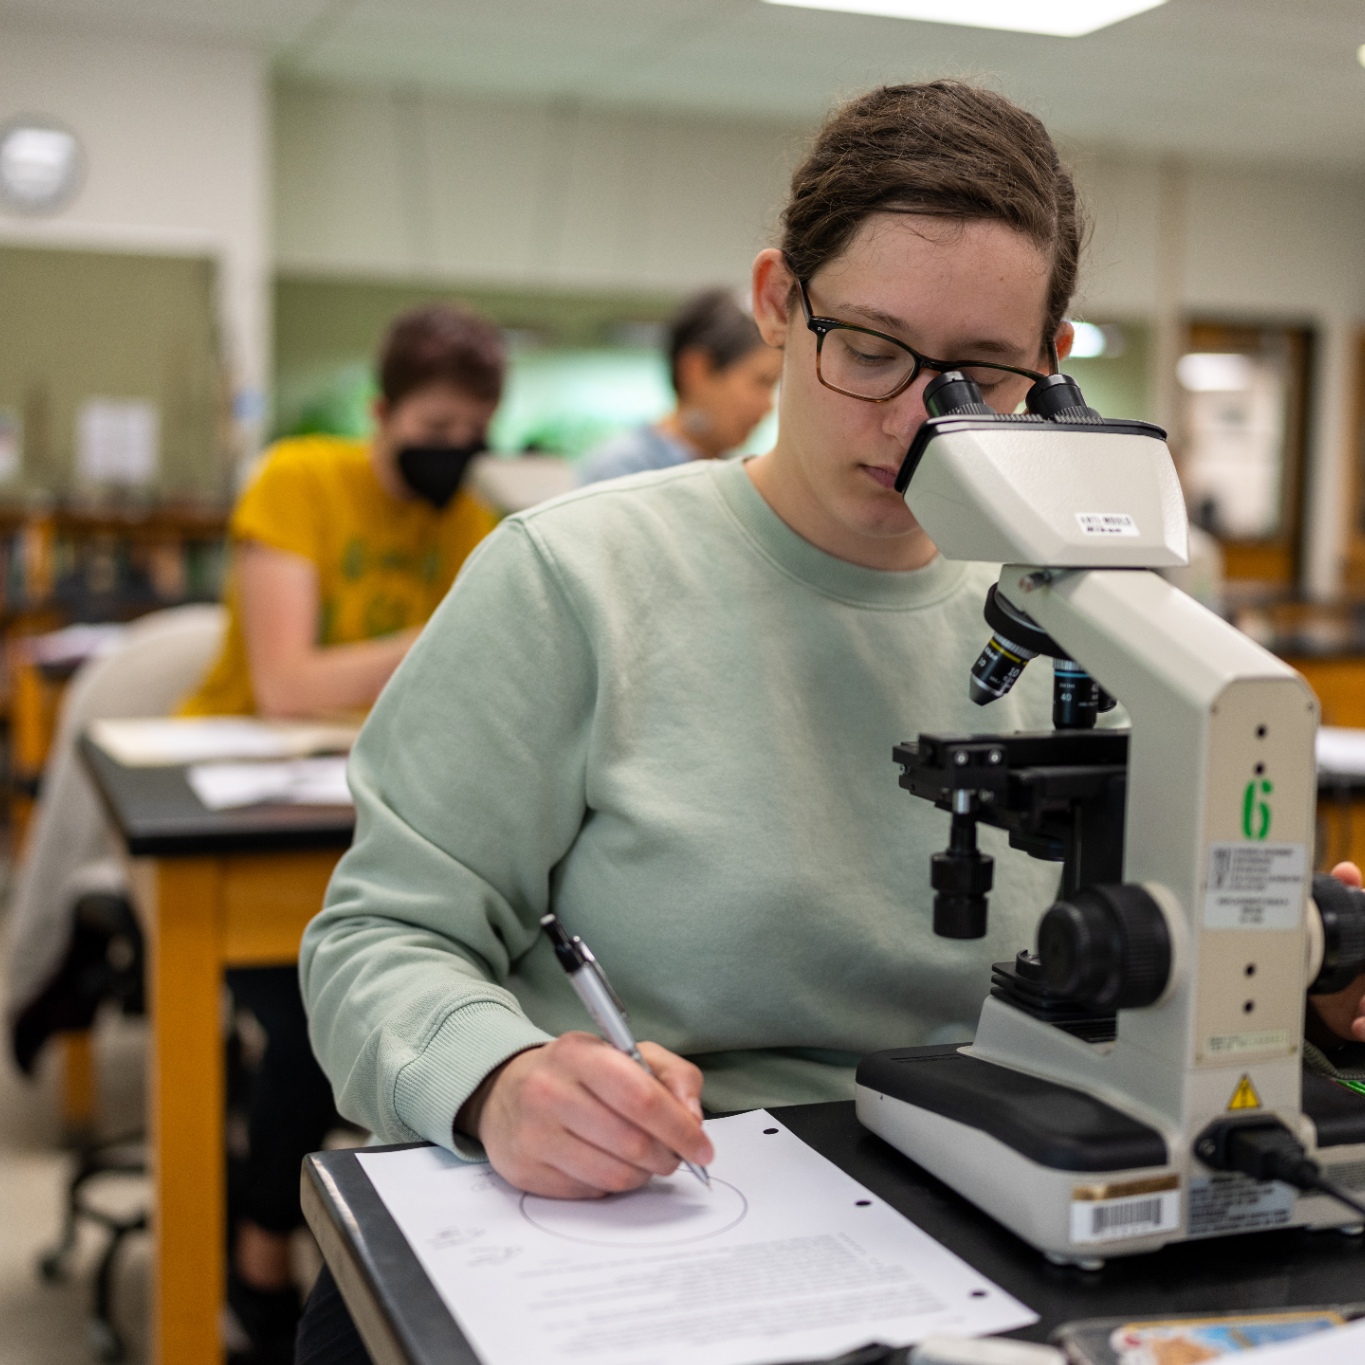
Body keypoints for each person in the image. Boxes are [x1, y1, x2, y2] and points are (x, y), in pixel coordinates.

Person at [296, 83, 1365, 1355]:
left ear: (1057, 364)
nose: (919, 417)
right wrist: (498, 1079)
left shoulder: (1101, 606)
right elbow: (377, 940)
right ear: (776, 302)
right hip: (672, 1208)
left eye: (984, 375)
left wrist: (1287, 979)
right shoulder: (572, 580)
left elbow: (1143, 952)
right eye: (871, 348)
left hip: (1004, 1215)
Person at [180, 303, 504, 1363]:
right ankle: (260, 1262)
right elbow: (285, 686)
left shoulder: (472, 527)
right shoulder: (299, 481)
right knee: (320, 1030)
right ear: (382, 410)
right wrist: (442, 634)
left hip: (377, 812)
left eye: (472, 435)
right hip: (236, 805)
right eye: (434, 427)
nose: (452, 454)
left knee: (433, 1001)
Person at [576, 288, 782, 484]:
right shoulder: (623, 471)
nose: (768, 406)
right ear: (696, 370)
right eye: (762, 382)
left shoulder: (734, 475)